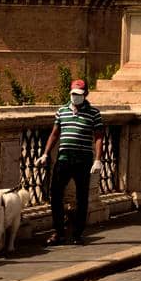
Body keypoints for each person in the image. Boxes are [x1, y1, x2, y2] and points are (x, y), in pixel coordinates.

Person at [37, 78, 105, 245]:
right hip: (64, 158)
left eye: (79, 94)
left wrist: (98, 160)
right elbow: (54, 134)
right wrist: (45, 153)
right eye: (74, 94)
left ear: (86, 94)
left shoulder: (94, 113)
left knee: (82, 197)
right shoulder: (62, 111)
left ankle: (77, 233)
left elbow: (98, 137)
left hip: (83, 160)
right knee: (56, 195)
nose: (76, 97)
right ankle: (58, 231)